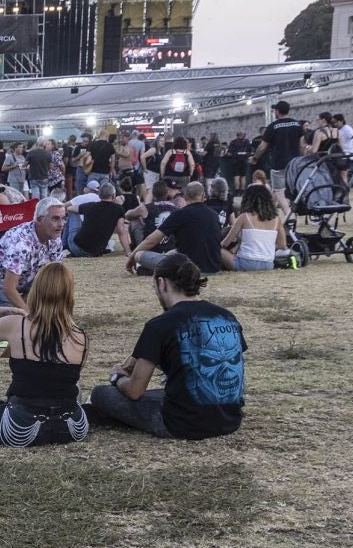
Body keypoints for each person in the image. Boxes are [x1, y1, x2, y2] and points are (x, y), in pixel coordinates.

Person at [88, 256, 245, 440]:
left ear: (162, 283)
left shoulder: (159, 325)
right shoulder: (226, 316)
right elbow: (194, 366)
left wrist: (118, 377)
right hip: (229, 419)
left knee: (101, 393)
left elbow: (134, 390)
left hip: (181, 424)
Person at [0, 261, 89, 446]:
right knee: (72, 385)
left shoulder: (16, 324)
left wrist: (0, 310)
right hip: (72, 429)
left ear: (36, 290)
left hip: (19, 429)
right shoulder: (80, 336)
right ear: (70, 294)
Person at [0, 200, 67, 312]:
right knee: (19, 321)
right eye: (55, 218)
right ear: (39, 219)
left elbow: (55, 277)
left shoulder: (54, 238)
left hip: (22, 284)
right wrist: (28, 314)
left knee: (50, 294)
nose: (61, 224)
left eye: (64, 218)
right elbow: (8, 288)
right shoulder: (21, 243)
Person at [128, 182, 226, 277]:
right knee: (172, 252)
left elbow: (151, 240)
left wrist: (132, 256)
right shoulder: (214, 215)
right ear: (203, 195)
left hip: (186, 268)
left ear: (185, 196)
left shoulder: (179, 214)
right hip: (214, 268)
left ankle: (155, 268)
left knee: (139, 254)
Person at [219, 184, 285, 272]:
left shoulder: (244, 217)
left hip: (245, 264)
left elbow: (225, 243)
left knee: (218, 250)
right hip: (268, 264)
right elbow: (282, 245)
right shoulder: (277, 220)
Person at [251, 101, 305, 201]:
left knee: (279, 191)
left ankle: (288, 211)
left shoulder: (273, 126)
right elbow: (302, 145)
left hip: (279, 163)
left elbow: (262, 146)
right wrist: (301, 160)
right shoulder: (297, 125)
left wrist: (255, 158)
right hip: (294, 163)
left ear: (277, 111)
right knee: (294, 188)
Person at [64, 182, 129, 258]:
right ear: (113, 196)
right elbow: (121, 231)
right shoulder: (118, 209)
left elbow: (69, 208)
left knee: (72, 212)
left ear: (99, 195)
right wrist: (128, 251)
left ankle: (63, 246)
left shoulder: (91, 206)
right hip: (96, 252)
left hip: (77, 248)